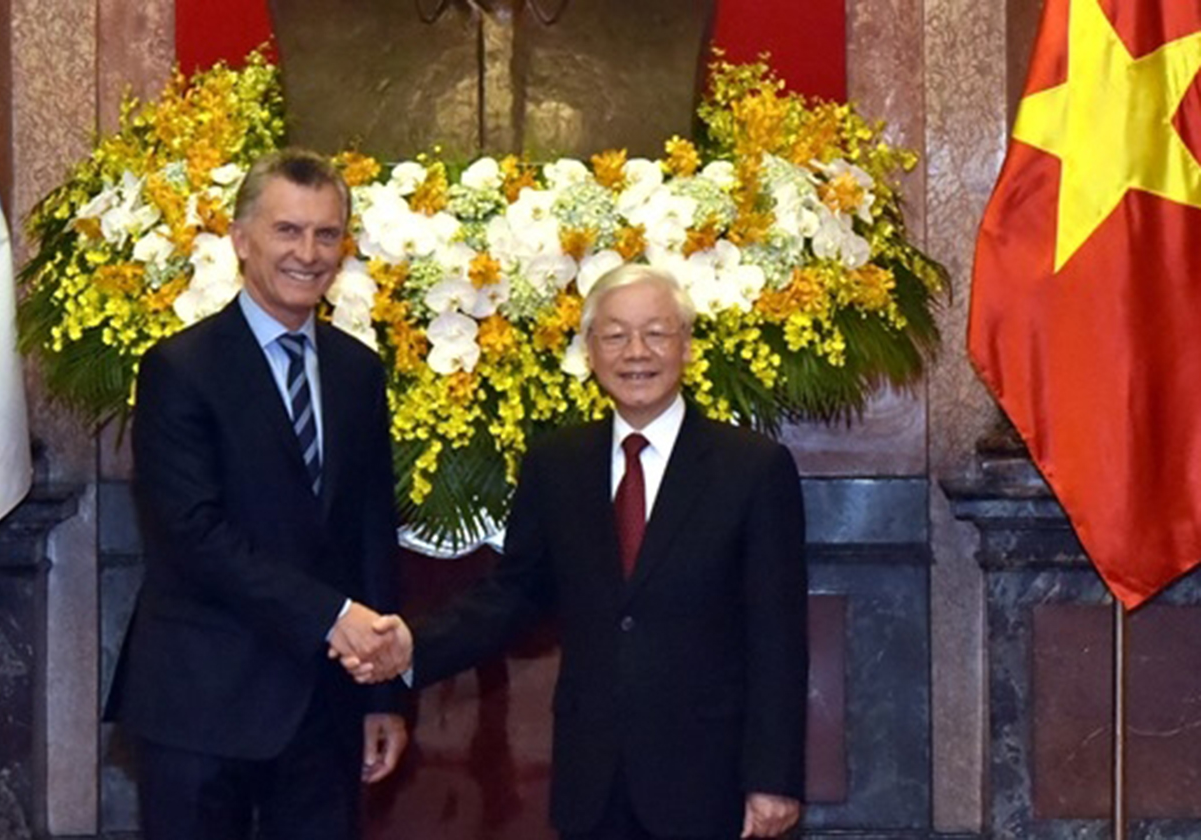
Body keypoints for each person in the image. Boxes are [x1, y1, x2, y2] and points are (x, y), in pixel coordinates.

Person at [352, 264, 808, 839]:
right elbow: (513, 594)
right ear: (589, 352)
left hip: (708, 779)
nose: (635, 352)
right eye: (614, 335)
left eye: (656, 333)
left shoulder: (752, 468)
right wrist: (411, 645)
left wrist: (773, 777)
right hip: (592, 780)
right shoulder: (558, 464)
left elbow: (779, 636)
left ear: (687, 346)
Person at [107, 148, 410, 840]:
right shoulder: (180, 369)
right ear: (241, 240)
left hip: (324, 710)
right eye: (287, 231)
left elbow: (369, 532)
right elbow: (193, 535)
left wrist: (381, 694)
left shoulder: (356, 372)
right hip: (201, 704)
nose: (308, 253)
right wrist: (332, 615)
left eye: (327, 234)